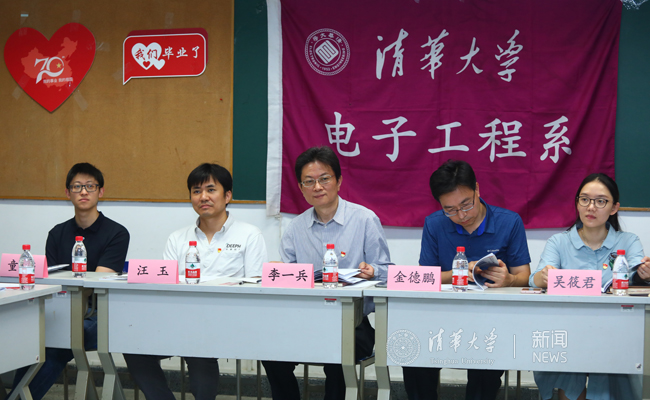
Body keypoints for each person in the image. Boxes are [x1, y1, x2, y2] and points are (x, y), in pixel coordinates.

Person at [123, 163, 268, 400]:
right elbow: (165, 284)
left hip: (229, 319)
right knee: (133, 346)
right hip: (181, 318)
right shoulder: (177, 238)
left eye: (211, 190)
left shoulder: (249, 235)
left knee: (198, 346)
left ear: (227, 195)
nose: (203, 197)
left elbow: (256, 285)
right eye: (196, 191)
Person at [261, 146, 392, 400]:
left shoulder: (364, 220)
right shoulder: (295, 228)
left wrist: (373, 271)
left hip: (353, 324)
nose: (317, 187)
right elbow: (286, 283)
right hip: (305, 320)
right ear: (300, 188)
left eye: (324, 179)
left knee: (338, 355)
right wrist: (281, 273)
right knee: (270, 351)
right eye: (309, 182)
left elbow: (388, 272)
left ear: (339, 181)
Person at [403, 159, 531, 400]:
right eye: (450, 210)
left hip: (490, 320)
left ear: (477, 190)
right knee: (414, 357)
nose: (461, 215)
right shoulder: (434, 224)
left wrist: (510, 280)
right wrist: (459, 273)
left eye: (466, 204)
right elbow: (425, 278)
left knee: (485, 368)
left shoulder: (509, 222)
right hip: (441, 317)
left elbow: (525, 276)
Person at [10, 162, 130, 400]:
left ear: (101, 191)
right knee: (30, 337)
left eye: (90, 186)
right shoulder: (57, 233)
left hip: (99, 314)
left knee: (56, 342)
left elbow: (95, 283)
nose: (83, 192)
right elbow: (51, 282)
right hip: (61, 310)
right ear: (67, 193)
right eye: (77, 186)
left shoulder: (117, 233)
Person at [529, 173, 650, 400]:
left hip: (615, 330)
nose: (591, 207)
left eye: (600, 201)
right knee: (568, 367)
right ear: (577, 203)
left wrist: (645, 275)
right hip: (569, 328)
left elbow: (637, 275)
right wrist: (544, 277)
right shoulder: (559, 241)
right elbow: (534, 278)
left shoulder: (628, 241)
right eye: (584, 199)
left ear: (614, 208)